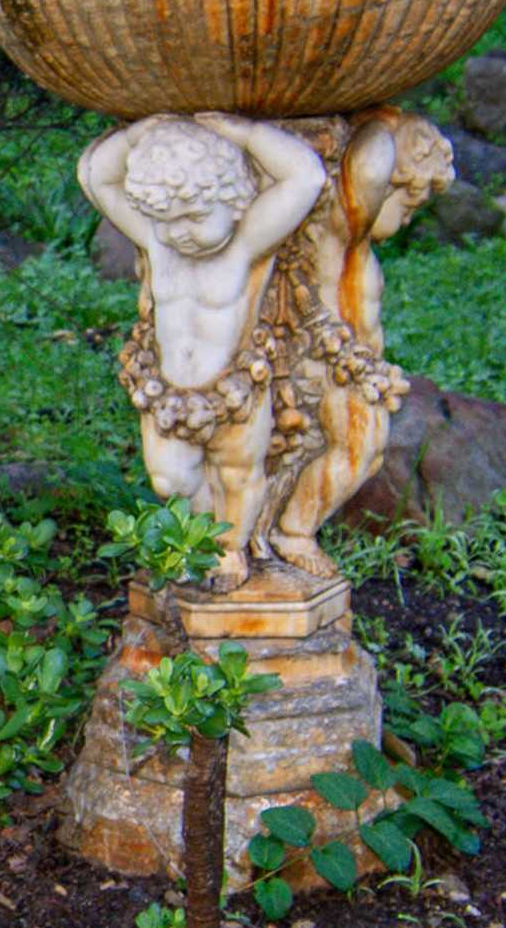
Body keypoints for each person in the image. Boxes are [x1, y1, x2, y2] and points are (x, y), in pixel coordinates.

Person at [79, 113, 327, 585]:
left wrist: (245, 134)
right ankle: (198, 540)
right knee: (170, 481)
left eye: (194, 217)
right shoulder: (158, 243)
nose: (181, 232)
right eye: (168, 220)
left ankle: (229, 550)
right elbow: (93, 174)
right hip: (168, 396)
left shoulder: (243, 246)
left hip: (234, 393)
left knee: (238, 475)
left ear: (232, 202)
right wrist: (142, 133)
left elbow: (307, 175)